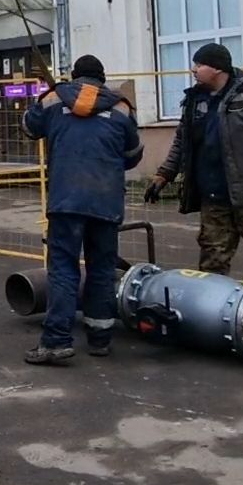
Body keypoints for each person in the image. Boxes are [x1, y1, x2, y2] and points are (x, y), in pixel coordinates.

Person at [22, 55, 143, 364]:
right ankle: (100, 338)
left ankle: (56, 341)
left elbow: (29, 127)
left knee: (63, 269)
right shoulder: (122, 107)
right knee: (102, 267)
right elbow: (132, 155)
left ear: (75, 76)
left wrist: (45, 97)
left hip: (66, 200)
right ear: (102, 79)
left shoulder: (54, 98)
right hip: (106, 201)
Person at [145, 42, 243, 286]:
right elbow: (183, 141)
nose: (193, 69)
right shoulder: (195, 99)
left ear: (217, 68)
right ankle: (210, 311)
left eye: (199, 64)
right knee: (212, 260)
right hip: (213, 195)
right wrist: (164, 174)